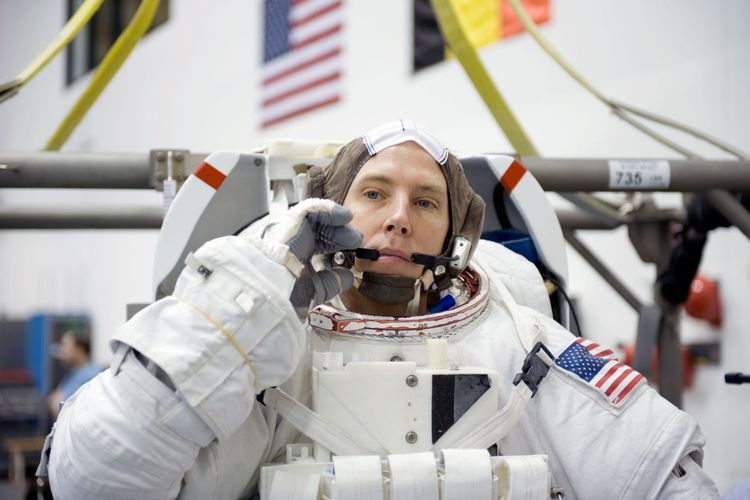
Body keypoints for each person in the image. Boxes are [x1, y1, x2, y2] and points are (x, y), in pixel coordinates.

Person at [40, 120, 719, 499]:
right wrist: (246, 306)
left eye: (425, 202)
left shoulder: (522, 341)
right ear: (326, 209)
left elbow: (664, 480)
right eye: (373, 194)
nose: (398, 219)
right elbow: (96, 481)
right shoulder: (260, 355)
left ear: (456, 234)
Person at [46, 329, 100, 419]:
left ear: (79, 349)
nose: (61, 350)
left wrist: (54, 401)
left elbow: (58, 407)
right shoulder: (74, 373)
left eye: (64, 345)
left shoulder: (91, 375)